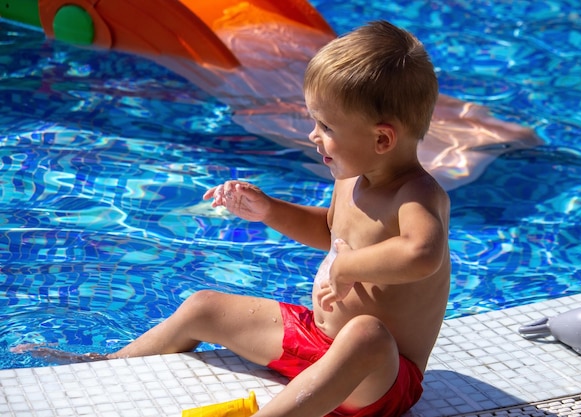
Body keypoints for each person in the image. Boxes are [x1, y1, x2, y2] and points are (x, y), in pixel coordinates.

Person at [21, 20, 451, 416]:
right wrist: (269, 209)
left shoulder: (416, 193)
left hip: (379, 377)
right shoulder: (351, 179)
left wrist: (346, 267)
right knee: (203, 306)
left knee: (366, 334)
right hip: (319, 342)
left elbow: (422, 252)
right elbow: (329, 229)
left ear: (381, 138)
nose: (312, 135)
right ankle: (110, 364)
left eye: (325, 127)